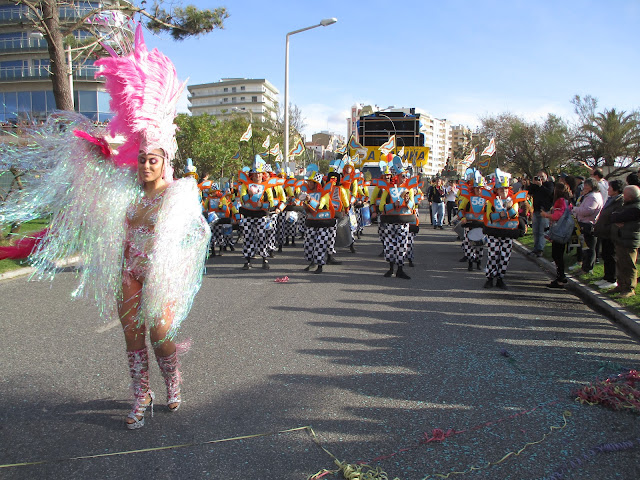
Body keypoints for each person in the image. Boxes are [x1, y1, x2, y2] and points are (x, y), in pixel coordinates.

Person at [0, 25, 211, 430]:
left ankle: (172, 378)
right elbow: (99, 189)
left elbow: (195, 233)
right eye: (142, 158)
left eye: (153, 159)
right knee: (132, 335)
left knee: (160, 335)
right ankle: (140, 395)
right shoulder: (125, 190)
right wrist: (94, 154)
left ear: (165, 162)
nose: (145, 165)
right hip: (128, 269)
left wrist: (177, 264)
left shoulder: (179, 194)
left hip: (160, 273)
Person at [482, 169, 526, 289]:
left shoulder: (513, 201)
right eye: (501, 189)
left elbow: (514, 215)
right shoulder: (491, 201)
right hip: (493, 232)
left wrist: (507, 210)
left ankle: (500, 278)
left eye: (506, 189)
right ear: (497, 190)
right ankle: (490, 278)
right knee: (493, 255)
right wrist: (503, 214)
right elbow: (490, 217)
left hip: (508, 233)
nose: (504, 191)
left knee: (504, 256)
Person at [609, 185, 640, 298]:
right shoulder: (626, 205)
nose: (623, 196)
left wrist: (618, 218)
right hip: (621, 238)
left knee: (629, 265)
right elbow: (613, 215)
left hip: (629, 239)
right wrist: (617, 217)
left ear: (630, 196)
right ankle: (621, 285)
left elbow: (617, 217)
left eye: (625, 194)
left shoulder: (635, 208)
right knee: (620, 263)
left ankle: (629, 288)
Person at [593, 180, 624, 290]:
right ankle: (606, 277)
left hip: (611, 232)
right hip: (604, 232)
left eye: (610, 187)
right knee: (605, 255)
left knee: (611, 255)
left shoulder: (620, 201)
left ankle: (612, 279)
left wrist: (608, 227)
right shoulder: (611, 199)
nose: (607, 189)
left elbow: (616, 216)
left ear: (616, 189)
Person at [541, 183, 573, 288]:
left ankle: (561, 278)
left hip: (559, 230)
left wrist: (546, 215)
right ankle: (561, 277)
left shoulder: (560, 201)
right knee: (559, 254)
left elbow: (557, 216)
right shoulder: (568, 201)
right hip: (565, 230)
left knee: (557, 255)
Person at [570, 178, 603, 274]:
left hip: (588, 224)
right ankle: (584, 266)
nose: (584, 187)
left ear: (592, 187)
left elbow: (588, 211)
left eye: (586, 185)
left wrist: (575, 209)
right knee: (584, 247)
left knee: (589, 248)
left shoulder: (593, 197)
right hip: (584, 223)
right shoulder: (588, 196)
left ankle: (587, 268)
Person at [526, 170, 554, 257]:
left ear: (546, 176)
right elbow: (529, 191)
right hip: (536, 210)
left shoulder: (549, 184)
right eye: (538, 177)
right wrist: (532, 183)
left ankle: (540, 249)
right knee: (535, 231)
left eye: (542, 176)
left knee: (542, 231)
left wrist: (541, 185)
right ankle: (535, 249)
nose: (540, 178)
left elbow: (549, 193)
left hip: (544, 211)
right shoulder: (536, 186)